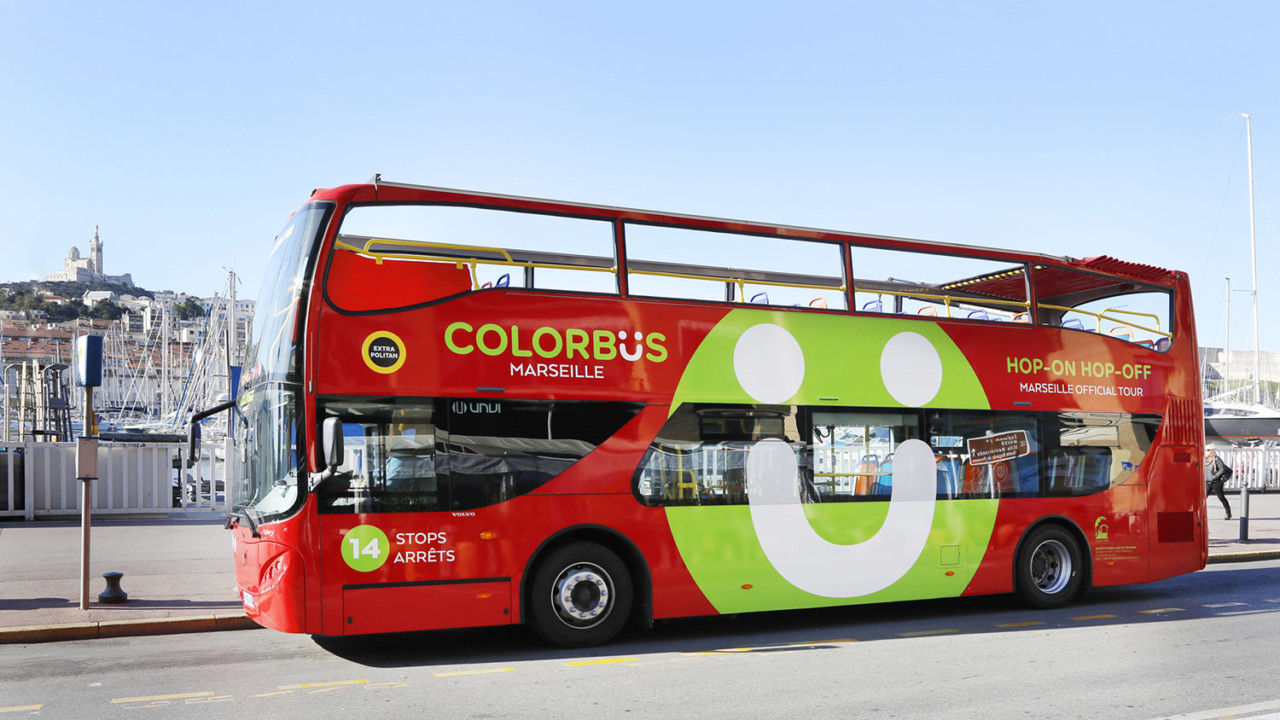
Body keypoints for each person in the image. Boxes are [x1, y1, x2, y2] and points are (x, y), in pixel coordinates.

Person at [1205, 448, 1233, 520]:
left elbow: (1222, 469)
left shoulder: (1216, 459)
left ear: (1211, 451)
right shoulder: (1205, 459)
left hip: (1216, 482)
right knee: (1203, 498)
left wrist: (1215, 477)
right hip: (1207, 482)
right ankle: (1201, 514)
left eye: (1208, 450)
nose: (1206, 451)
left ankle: (1228, 512)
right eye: (1206, 450)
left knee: (1221, 497)